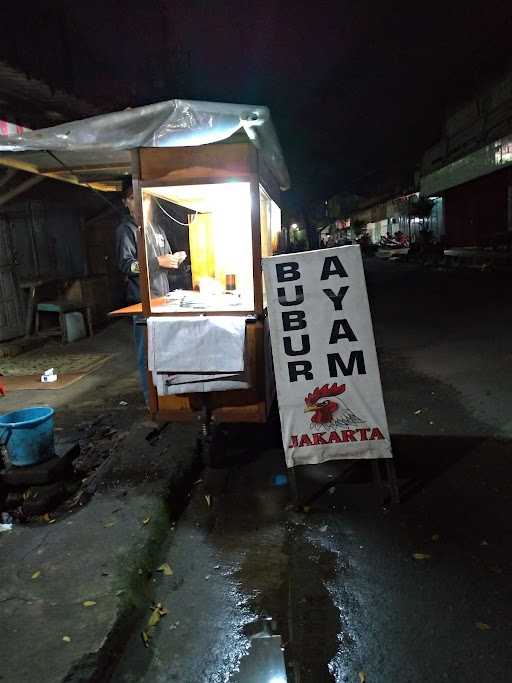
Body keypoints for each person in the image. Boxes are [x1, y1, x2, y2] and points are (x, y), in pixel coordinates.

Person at [116, 180, 185, 402]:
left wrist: (176, 260)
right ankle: (150, 401)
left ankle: (166, 396)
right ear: (126, 202)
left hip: (163, 299)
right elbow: (126, 265)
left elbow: (167, 258)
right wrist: (158, 262)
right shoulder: (126, 230)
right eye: (134, 198)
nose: (140, 203)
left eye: (144, 198)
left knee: (164, 350)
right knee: (146, 354)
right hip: (142, 302)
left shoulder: (157, 229)